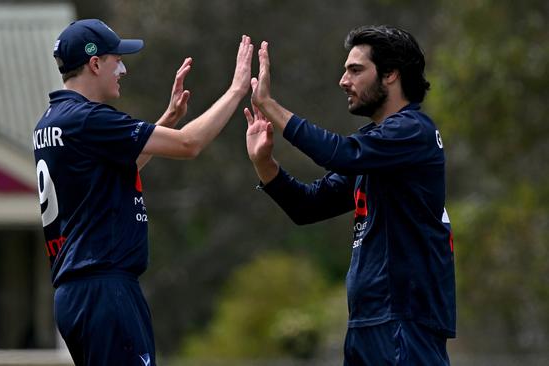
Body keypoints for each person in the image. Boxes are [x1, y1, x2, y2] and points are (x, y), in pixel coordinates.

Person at [33, 19, 253, 366]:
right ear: (94, 64)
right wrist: (237, 90)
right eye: (115, 59)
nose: (122, 68)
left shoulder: (51, 121)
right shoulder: (89, 119)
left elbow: (118, 173)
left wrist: (165, 120)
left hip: (76, 292)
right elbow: (190, 145)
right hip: (105, 287)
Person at [245, 25, 455, 365]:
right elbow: (307, 206)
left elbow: (340, 154)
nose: (344, 80)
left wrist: (269, 105)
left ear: (390, 74)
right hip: (366, 324)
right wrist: (264, 163)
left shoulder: (412, 131)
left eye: (355, 70)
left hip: (404, 323)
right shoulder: (375, 144)